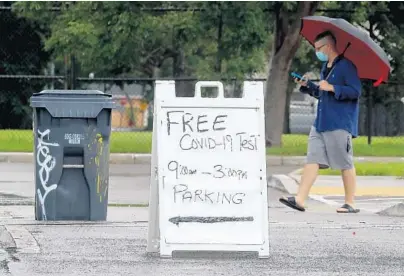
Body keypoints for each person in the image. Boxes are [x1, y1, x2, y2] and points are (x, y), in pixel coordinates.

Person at [279, 30, 362, 213]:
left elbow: (355, 92)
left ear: (329, 46)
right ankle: (300, 199)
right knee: (312, 158)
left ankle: (350, 203)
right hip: (320, 122)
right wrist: (308, 86)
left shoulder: (346, 67)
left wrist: (332, 87)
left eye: (318, 48)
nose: (317, 52)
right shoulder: (327, 67)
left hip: (339, 122)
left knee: (344, 162)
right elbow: (323, 93)